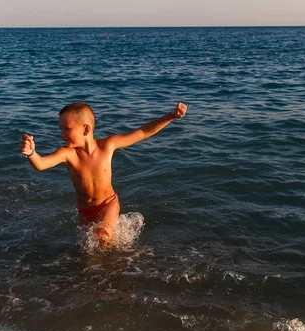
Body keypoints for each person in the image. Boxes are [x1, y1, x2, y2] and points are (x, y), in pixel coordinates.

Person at [19, 101, 187, 246]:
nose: (61, 134)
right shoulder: (67, 154)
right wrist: (31, 153)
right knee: (84, 249)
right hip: (84, 211)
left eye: (66, 129)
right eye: (60, 129)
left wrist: (171, 116)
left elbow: (143, 132)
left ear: (85, 129)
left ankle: (112, 272)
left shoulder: (107, 146)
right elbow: (41, 164)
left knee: (101, 238)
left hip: (108, 203)